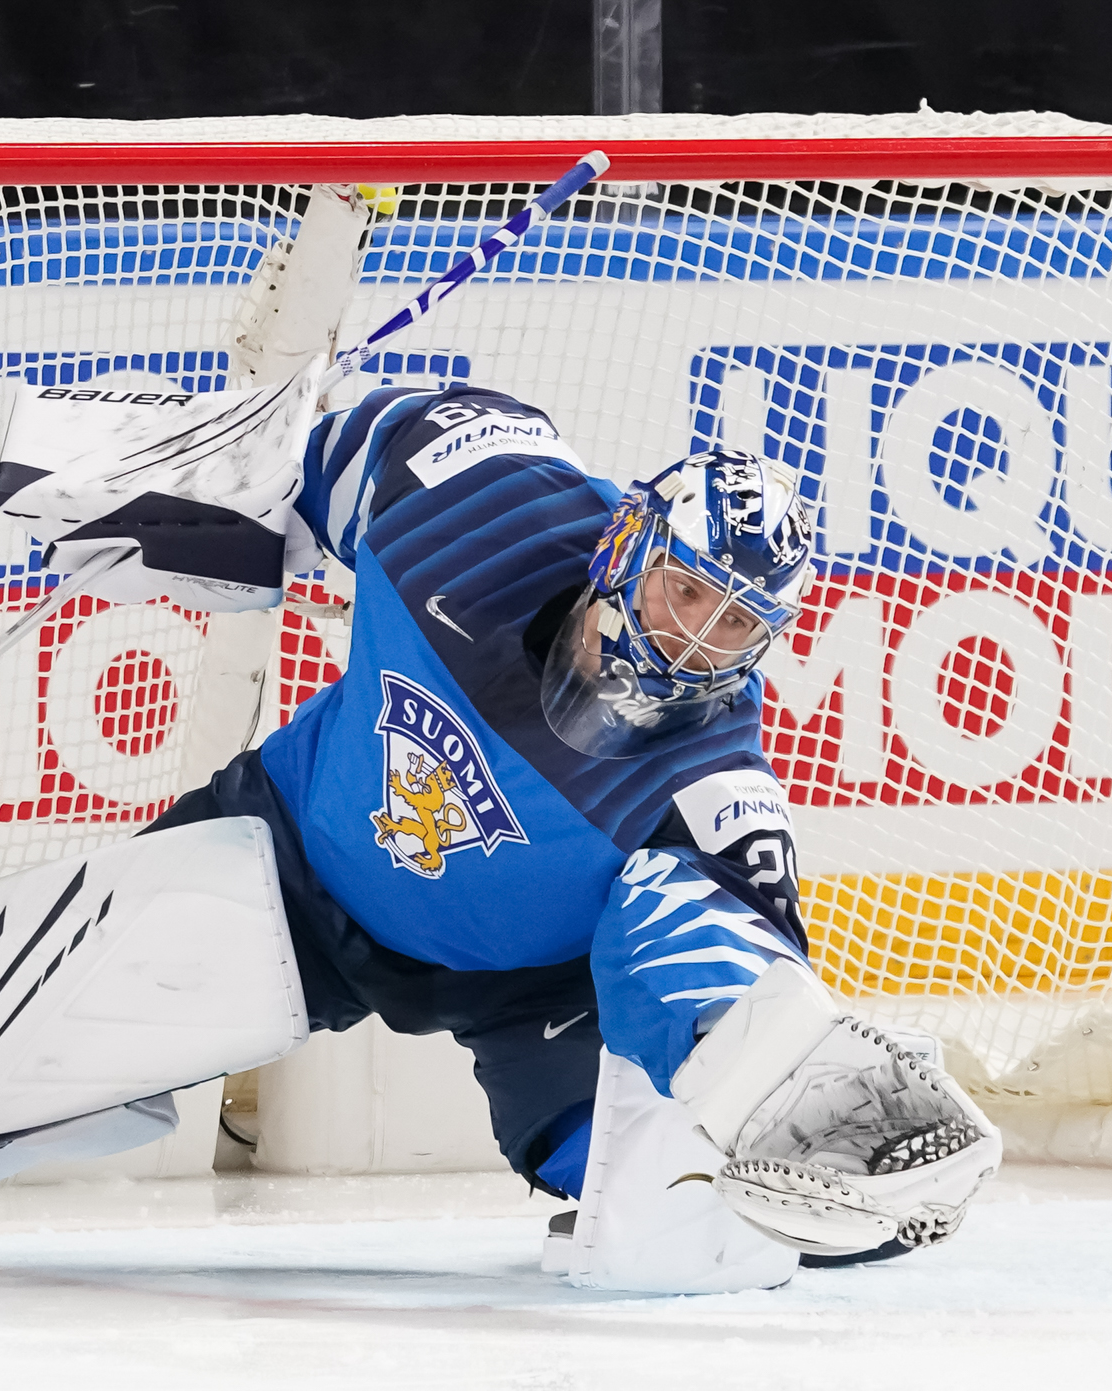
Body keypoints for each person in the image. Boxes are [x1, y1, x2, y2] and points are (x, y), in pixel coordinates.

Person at [144, 381, 881, 1287]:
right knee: (99, 989)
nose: (698, 640)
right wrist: (185, 478)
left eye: (735, 622)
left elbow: (741, 966)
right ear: (630, 544)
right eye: (687, 590)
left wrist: (804, 1149)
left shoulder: (717, 778)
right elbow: (336, 454)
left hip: (530, 990)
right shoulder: (482, 502)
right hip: (298, 858)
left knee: (639, 1178)